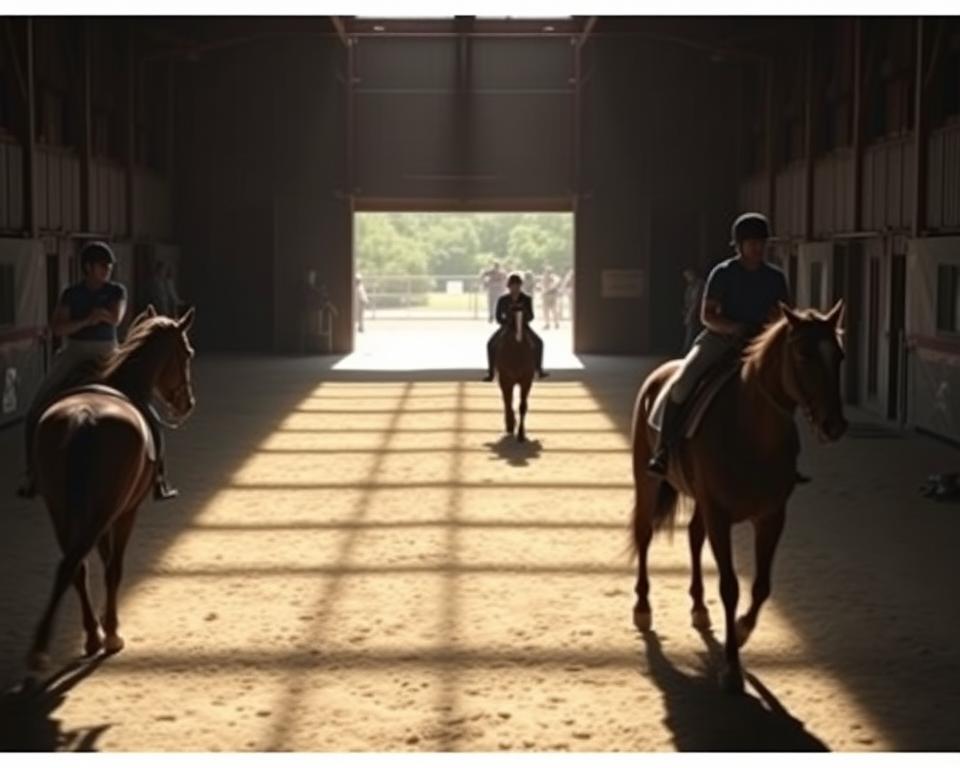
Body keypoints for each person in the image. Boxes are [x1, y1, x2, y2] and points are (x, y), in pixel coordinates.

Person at [18, 240, 179, 501]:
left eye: (109, 266)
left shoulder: (117, 291)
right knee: (37, 408)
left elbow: (115, 318)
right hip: (76, 351)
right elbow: (58, 328)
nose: (107, 270)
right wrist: (88, 319)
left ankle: (159, 477)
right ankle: (32, 474)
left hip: (108, 350)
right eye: (102, 266)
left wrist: (84, 320)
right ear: (88, 267)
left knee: (146, 408)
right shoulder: (72, 294)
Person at [647, 213, 790, 478]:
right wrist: (735, 327)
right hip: (722, 338)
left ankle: (788, 456)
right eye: (753, 243)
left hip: (762, 342)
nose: (759, 248)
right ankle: (664, 450)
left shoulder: (775, 277)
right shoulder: (723, 274)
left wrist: (770, 329)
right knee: (683, 382)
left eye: (762, 243)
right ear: (740, 245)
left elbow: (781, 314)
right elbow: (707, 316)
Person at [481, 272, 549, 382]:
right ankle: (491, 372)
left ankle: (539, 369)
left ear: (520, 286)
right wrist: (506, 322)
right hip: (507, 327)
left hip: (523, 326)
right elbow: (498, 316)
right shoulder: (503, 300)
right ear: (509, 286)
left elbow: (531, 315)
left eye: (517, 285)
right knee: (491, 344)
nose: (515, 288)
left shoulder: (526, 299)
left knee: (539, 343)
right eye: (513, 285)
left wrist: (523, 320)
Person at [681, 267, 705, 353]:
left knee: (692, 332)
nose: (687, 278)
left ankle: (688, 350)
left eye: (688, 275)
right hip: (690, 310)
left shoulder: (700, 284)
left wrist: (691, 314)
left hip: (696, 312)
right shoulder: (690, 286)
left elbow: (697, 300)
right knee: (690, 331)